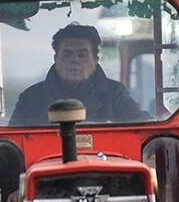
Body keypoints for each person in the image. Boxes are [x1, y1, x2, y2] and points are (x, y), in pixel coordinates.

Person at [8, 23, 147, 126]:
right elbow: (10, 147)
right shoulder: (31, 98)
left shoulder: (114, 94)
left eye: (82, 55)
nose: (75, 60)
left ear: (96, 59)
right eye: (67, 54)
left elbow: (143, 125)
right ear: (56, 59)